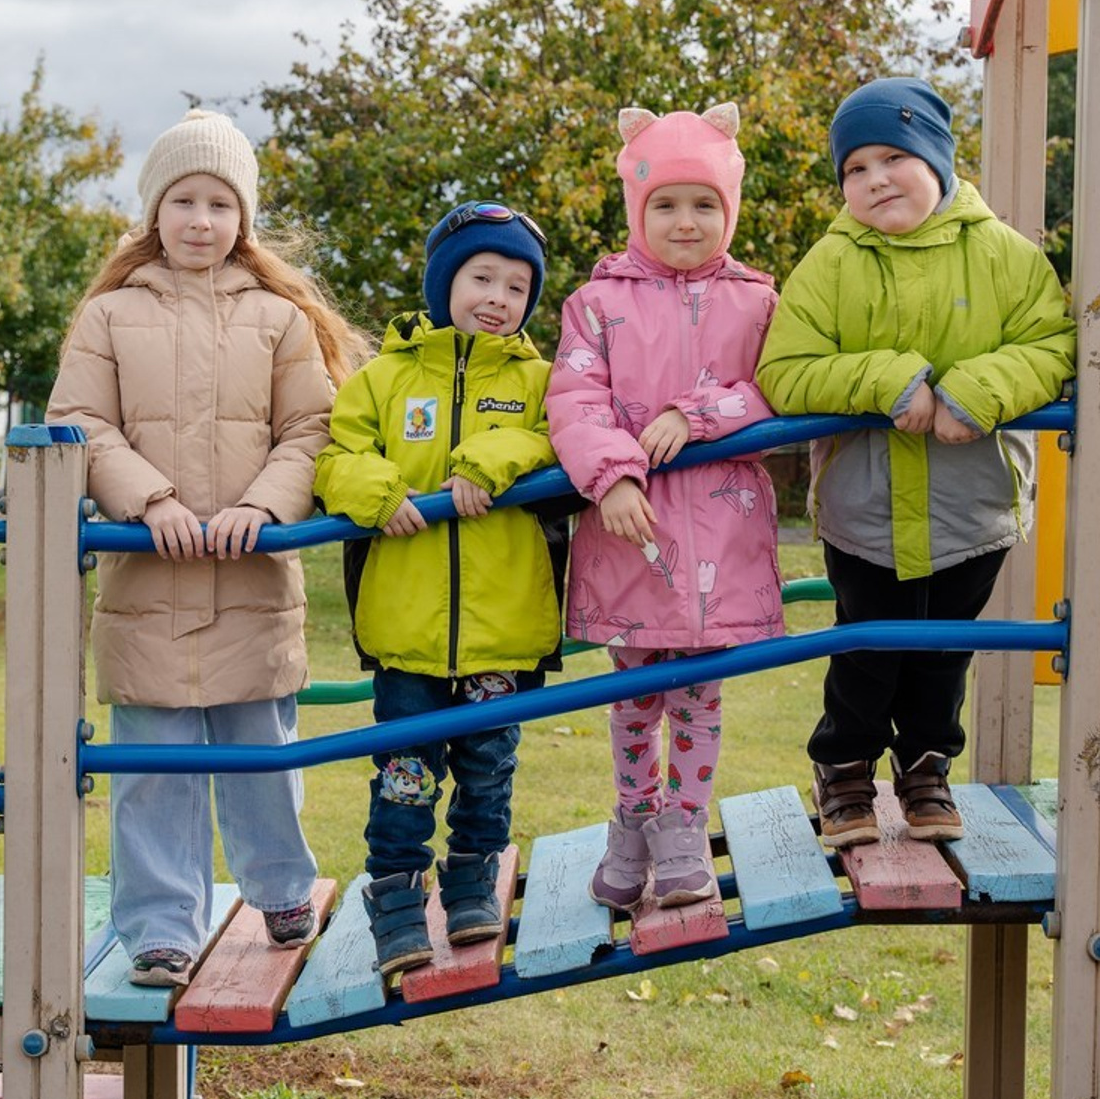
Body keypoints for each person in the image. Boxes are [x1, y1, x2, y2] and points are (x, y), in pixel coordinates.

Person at [47, 109, 368, 986]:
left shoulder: (277, 319)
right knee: (154, 763)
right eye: (182, 200)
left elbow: (311, 426)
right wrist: (147, 498)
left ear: (244, 219)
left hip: (251, 576)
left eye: (220, 203)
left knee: (259, 749)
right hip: (148, 580)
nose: (200, 220)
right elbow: (77, 420)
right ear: (153, 212)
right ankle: (160, 927)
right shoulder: (108, 316)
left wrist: (264, 505)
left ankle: (282, 885)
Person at [756, 76, 1076, 848]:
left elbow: (1052, 345)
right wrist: (887, 381)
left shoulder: (1005, 255)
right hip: (865, 510)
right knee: (865, 648)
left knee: (943, 652)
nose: (874, 179)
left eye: (893, 157)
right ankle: (845, 772)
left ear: (937, 158)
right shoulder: (830, 265)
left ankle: (928, 768)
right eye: (854, 168)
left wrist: (974, 392)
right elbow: (785, 367)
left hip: (973, 506)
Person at [314, 200, 565, 976]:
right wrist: (379, 490)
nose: (497, 296)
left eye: (516, 286)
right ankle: (393, 894)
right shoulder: (383, 379)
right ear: (442, 283)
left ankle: (471, 881)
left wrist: (497, 454)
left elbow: (568, 436)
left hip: (504, 631)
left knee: (489, 767)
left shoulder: (541, 380)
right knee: (404, 773)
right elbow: (333, 458)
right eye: (481, 276)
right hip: (407, 634)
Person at [547, 104, 783, 912]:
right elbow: (575, 396)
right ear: (636, 210)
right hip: (632, 539)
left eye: (705, 204)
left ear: (731, 209)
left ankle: (685, 824)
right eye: (667, 205)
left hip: (724, 536)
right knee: (631, 696)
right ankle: (633, 816)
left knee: (702, 695)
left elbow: (778, 386)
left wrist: (698, 414)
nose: (687, 222)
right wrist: (612, 474)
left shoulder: (757, 302)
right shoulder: (597, 303)